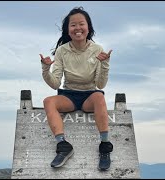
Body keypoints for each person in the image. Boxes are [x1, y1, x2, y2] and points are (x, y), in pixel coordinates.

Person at [39, 6, 113, 171]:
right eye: (73, 25)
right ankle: (63, 146)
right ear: (67, 29)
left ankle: (105, 145)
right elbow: (56, 84)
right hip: (69, 95)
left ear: (88, 27)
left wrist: (105, 64)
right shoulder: (62, 51)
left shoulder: (97, 50)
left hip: (90, 95)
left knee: (99, 96)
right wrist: (45, 69)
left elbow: (100, 85)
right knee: (48, 101)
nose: (77, 28)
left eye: (81, 24)